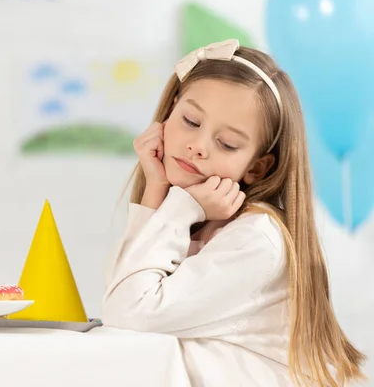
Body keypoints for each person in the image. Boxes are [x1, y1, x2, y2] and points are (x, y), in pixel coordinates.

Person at [101, 39, 366, 386]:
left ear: (257, 168)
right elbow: (122, 290)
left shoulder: (256, 238)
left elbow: (126, 310)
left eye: (226, 144)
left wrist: (181, 207)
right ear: (170, 111)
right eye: (191, 120)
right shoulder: (197, 221)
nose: (198, 146)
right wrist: (155, 191)